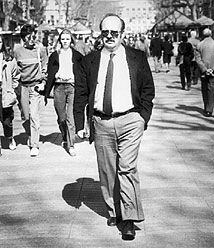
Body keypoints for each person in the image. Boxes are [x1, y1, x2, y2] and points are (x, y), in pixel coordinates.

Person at [73, 13, 155, 241]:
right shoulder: (89, 61)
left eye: (114, 32)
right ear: (101, 33)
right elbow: (80, 93)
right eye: (106, 32)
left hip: (130, 120)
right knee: (107, 171)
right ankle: (113, 211)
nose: (110, 36)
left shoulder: (137, 57)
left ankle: (128, 219)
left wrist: (142, 117)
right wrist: (80, 124)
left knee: (127, 168)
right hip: (101, 122)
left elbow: (148, 89)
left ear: (122, 34)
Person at [45, 29, 83, 156]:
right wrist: (46, 90)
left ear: (71, 40)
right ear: (60, 40)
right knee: (62, 117)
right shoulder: (55, 55)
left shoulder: (77, 55)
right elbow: (50, 73)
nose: (65, 41)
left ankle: (71, 145)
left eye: (67, 39)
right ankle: (65, 135)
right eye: (63, 39)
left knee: (70, 117)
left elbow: (83, 72)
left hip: (72, 87)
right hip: (59, 87)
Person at [13, 24, 48, 157]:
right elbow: (14, 69)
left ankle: (34, 144)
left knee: (34, 116)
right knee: (26, 116)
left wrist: (43, 82)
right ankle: (30, 134)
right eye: (29, 36)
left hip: (35, 87)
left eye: (34, 36)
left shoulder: (41, 51)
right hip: (22, 87)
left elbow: (46, 68)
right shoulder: (18, 52)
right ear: (23, 38)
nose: (32, 39)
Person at [195, 28, 214, 117]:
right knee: (211, 90)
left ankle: (206, 107)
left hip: (203, 71)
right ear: (211, 34)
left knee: (204, 89)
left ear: (203, 35)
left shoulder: (199, 45)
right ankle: (209, 109)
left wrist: (204, 69)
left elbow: (198, 59)